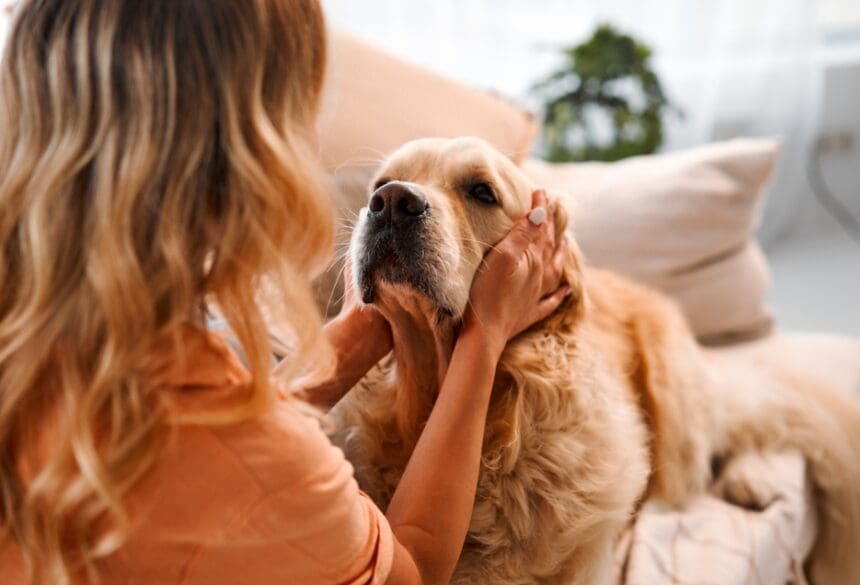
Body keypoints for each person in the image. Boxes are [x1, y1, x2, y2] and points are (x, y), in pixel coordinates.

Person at [0, 1, 566, 583]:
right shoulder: (259, 465)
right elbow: (412, 565)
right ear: (253, 160)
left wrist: (359, 328)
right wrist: (483, 337)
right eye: (300, 117)